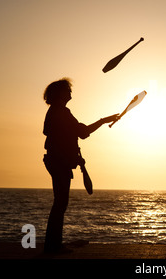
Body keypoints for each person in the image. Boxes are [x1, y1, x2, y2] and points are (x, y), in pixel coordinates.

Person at [42, 78, 119, 253]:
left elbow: (71, 134)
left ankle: (53, 245)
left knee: (60, 203)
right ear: (61, 93)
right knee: (60, 203)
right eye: (68, 90)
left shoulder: (57, 111)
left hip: (58, 162)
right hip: (58, 163)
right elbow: (81, 132)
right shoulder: (60, 111)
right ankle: (52, 247)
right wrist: (103, 120)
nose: (71, 93)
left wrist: (76, 158)